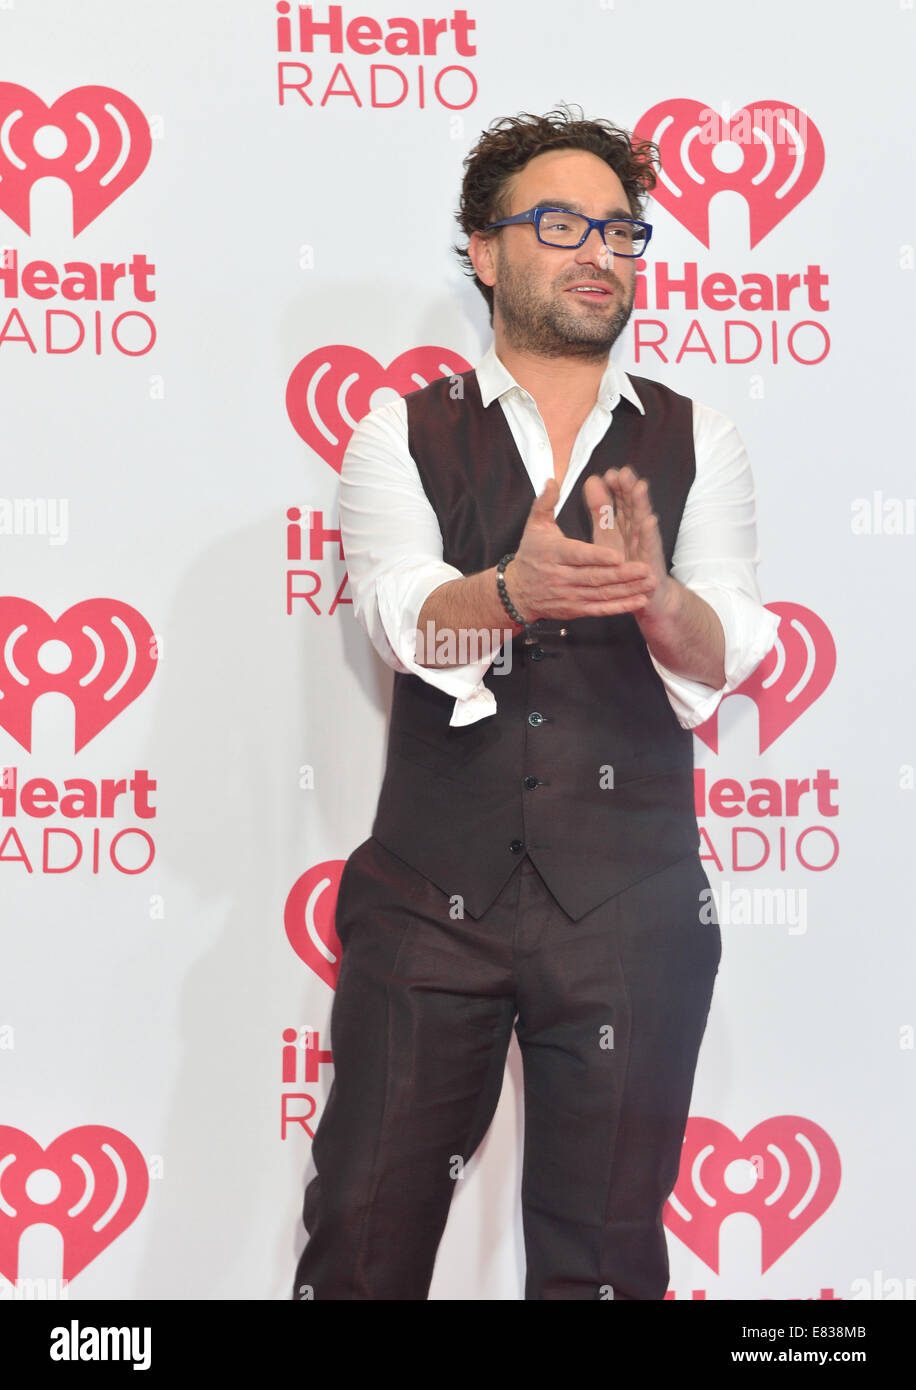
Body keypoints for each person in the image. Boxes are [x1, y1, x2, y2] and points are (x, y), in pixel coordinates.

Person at [292, 105, 779, 1301]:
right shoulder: (399, 428)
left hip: (632, 907)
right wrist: (510, 590)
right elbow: (405, 620)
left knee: (607, 1255)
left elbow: (723, 652)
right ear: (485, 248)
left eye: (621, 229)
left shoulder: (696, 436)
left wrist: (656, 598)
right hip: (425, 903)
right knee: (359, 1235)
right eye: (559, 223)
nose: (597, 252)